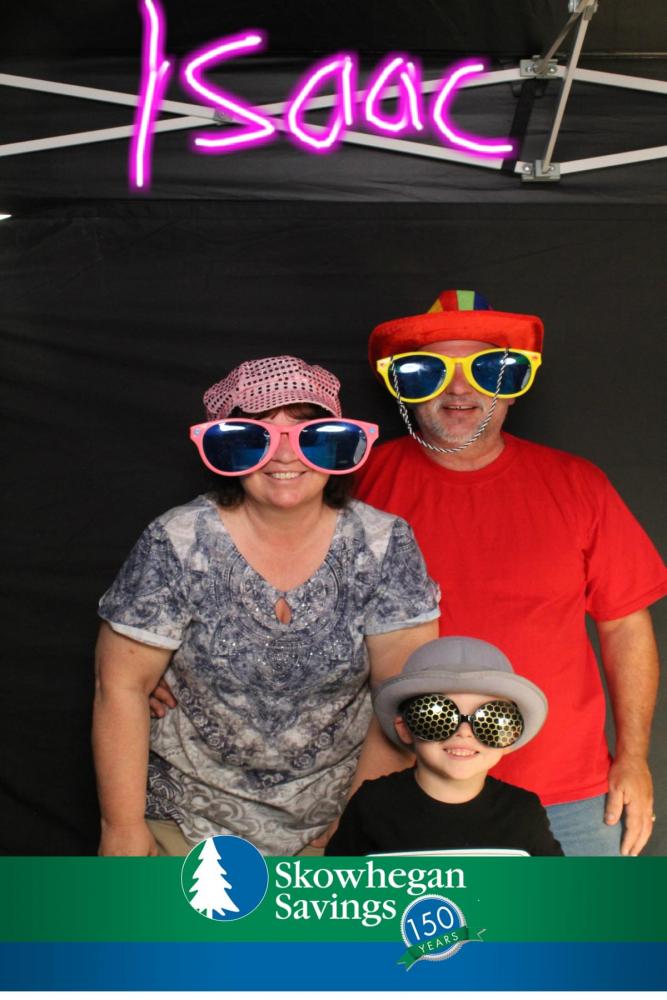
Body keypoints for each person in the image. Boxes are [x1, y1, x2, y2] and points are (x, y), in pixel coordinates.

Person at [354, 289, 667, 856]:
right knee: (403, 921)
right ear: (402, 385)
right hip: (404, 792)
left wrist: (633, 758)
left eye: (486, 369)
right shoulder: (359, 483)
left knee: (583, 920)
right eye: (431, 370)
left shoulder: (578, 485)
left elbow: (625, 625)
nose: (459, 390)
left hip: (567, 795)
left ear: (515, 383)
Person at [93, 355, 440, 857]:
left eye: (309, 434)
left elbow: (399, 698)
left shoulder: (384, 544)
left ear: (338, 446)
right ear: (225, 449)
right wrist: (122, 827)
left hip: (337, 821)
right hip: (184, 822)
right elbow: (120, 686)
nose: (284, 455)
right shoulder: (177, 540)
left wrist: (355, 823)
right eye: (255, 436)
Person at [326, 636, 563, 856]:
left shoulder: (523, 811)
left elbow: (554, 885)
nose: (464, 731)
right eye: (438, 716)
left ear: (510, 736)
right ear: (405, 728)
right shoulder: (373, 803)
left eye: (490, 718)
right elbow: (338, 881)